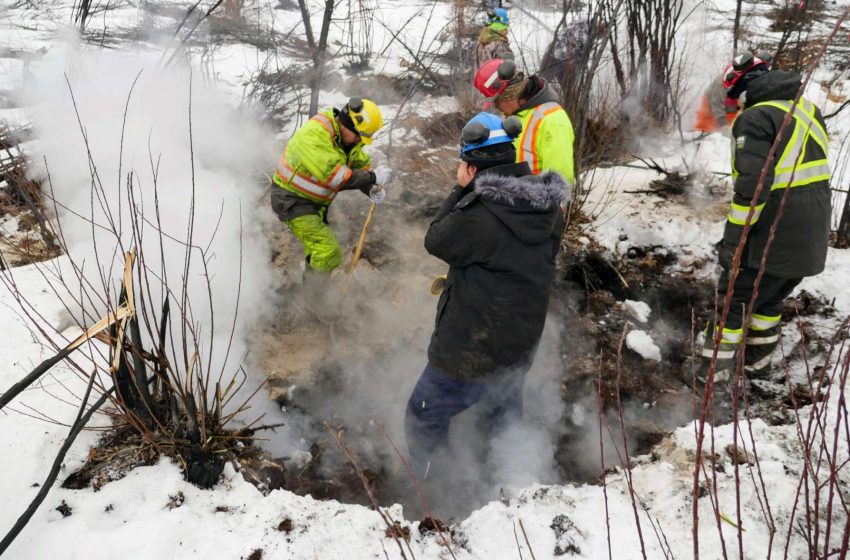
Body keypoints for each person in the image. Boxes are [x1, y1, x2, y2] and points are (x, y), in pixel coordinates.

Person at [405, 112, 567, 474]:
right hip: (521, 341)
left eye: (464, 165)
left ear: (474, 170)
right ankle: (504, 485)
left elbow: (436, 239)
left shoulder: (477, 215)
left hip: (472, 347)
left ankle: (433, 486)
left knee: (422, 415)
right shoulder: (547, 206)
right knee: (500, 414)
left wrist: (461, 190)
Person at [700, 61, 831, 383]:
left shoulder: (756, 117)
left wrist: (734, 242)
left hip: (773, 232)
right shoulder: (807, 110)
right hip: (810, 234)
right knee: (768, 302)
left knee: (730, 303)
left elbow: (753, 188)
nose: (735, 105)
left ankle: (710, 380)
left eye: (733, 97)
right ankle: (757, 371)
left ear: (743, 88)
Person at [270, 96, 391, 273]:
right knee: (327, 250)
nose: (359, 141)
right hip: (292, 200)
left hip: (314, 203)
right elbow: (336, 177)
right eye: (359, 136)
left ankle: (310, 290)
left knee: (318, 249)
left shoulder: (344, 137)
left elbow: (358, 162)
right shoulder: (315, 135)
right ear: (348, 123)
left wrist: (369, 188)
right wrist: (372, 177)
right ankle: (315, 298)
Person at [473, 59, 575, 186]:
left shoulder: (552, 120)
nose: (496, 106)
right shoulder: (510, 116)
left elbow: (560, 183)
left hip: (534, 204)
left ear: (509, 94)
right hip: (509, 201)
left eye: (496, 101)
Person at [694, 51, 772, 136]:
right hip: (711, 104)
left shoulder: (754, 76)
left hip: (732, 108)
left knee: (731, 129)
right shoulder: (723, 82)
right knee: (706, 124)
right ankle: (699, 139)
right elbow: (716, 103)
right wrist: (724, 126)